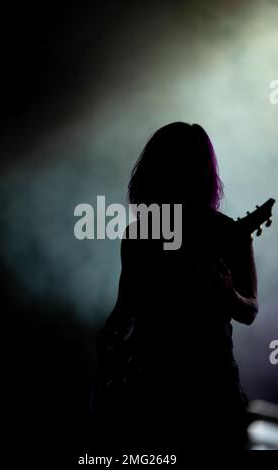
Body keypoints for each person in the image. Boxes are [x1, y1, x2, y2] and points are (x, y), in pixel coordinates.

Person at [91, 122, 259, 452]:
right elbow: (125, 309)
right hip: (151, 391)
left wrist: (227, 296)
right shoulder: (138, 235)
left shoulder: (230, 234)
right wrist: (110, 341)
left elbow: (250, 309)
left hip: (212, 390)